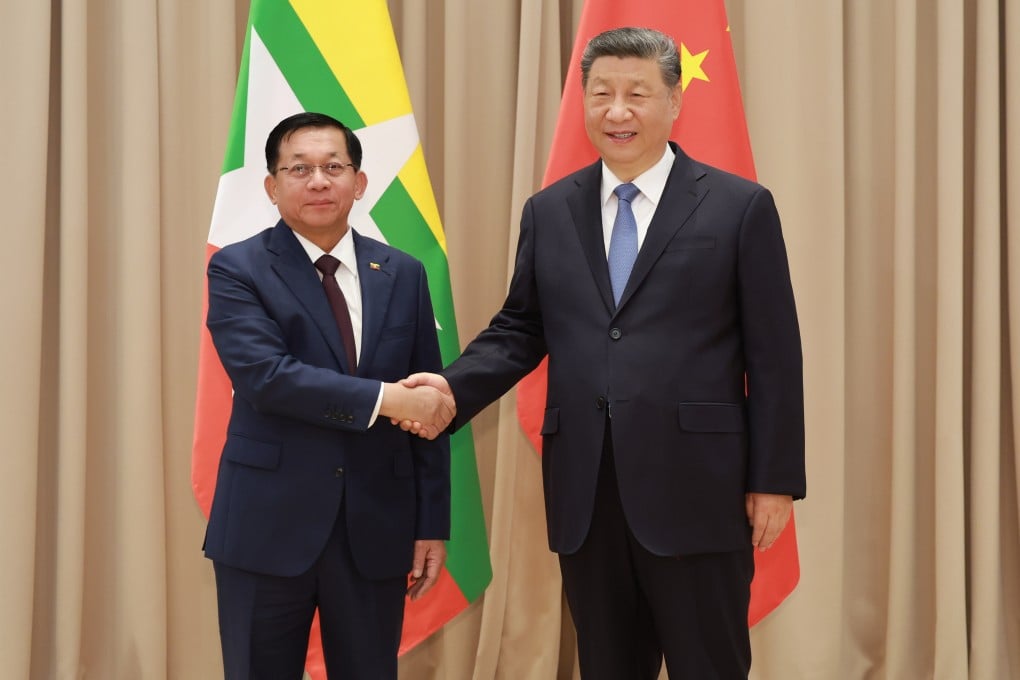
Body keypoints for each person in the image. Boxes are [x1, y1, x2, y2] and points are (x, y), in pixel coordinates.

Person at [400, 27, 805, 679]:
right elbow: (521, 328)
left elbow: (776, 354)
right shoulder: (549, 211)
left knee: (710, 664)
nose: (617, 111)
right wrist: (452, 389)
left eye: (637, 94)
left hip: (699, 486)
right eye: (601, 94)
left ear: (674, 101)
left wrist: (774, 478)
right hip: (587, 488)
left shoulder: (738, 207)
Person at [203, 112, 454, 680]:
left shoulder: (404, 273)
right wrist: (387, 400)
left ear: (358, 182)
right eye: (299, 169)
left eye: (333, 167)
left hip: (376, 526)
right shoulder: (238, 268)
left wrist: (431, 522)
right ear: (272, 186)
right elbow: (268, 377)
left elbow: (427, 401)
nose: (318, 181)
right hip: (266, 525)